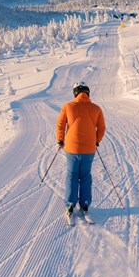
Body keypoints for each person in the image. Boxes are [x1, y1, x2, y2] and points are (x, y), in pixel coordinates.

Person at [56, 82, 106, 220]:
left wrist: (60, 139)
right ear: (87, 93)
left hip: (72, 148)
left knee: (72, 175)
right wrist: (96, 141)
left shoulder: (68, 107)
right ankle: (84, 204)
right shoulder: (96, 108)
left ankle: (70, 204)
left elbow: (60, 124)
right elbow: (101, 128)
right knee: (85, 175)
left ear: (75, 93)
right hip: (89, 149)